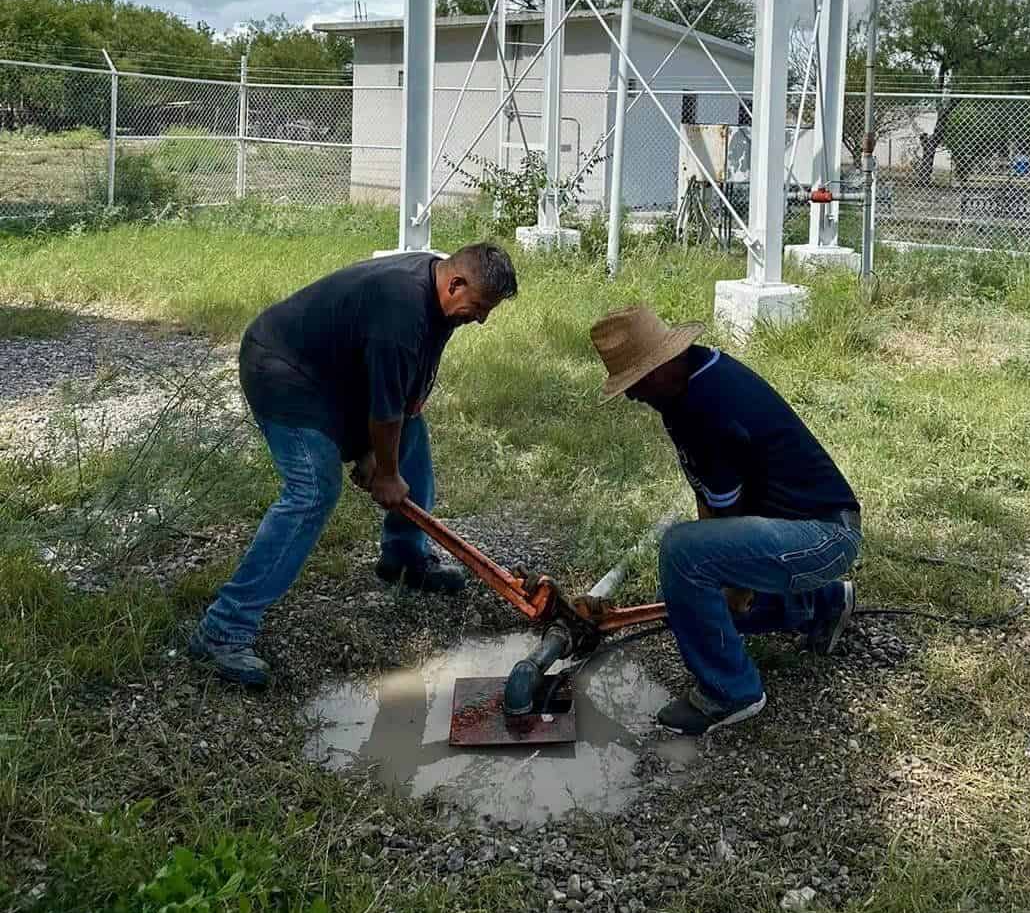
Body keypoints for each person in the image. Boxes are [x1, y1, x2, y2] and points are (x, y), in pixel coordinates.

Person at [189, 243, 518, 686]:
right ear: (455, 283)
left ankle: (403, 558)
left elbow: (407, 393)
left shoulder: (440, 295)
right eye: (479, 307)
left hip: (334, 374)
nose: (481, 319)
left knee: (411, 440)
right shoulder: (402, 310)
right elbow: (384, 410)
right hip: (282, 369)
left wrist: (380, 457)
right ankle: (222, 631)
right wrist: (383, 470)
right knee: (313, 492)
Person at [590, 305, 861, 737]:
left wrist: (732, 584)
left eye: (635, 382)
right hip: (809, 533)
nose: (631, 395)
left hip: (822, 539)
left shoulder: (705, 402)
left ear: (661, 365)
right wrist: (722, 575)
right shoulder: (689, 388)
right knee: (698, 602)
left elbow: (724, 513)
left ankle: (731, 693)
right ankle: (825, 602)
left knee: (682, 553)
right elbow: (711, 495)